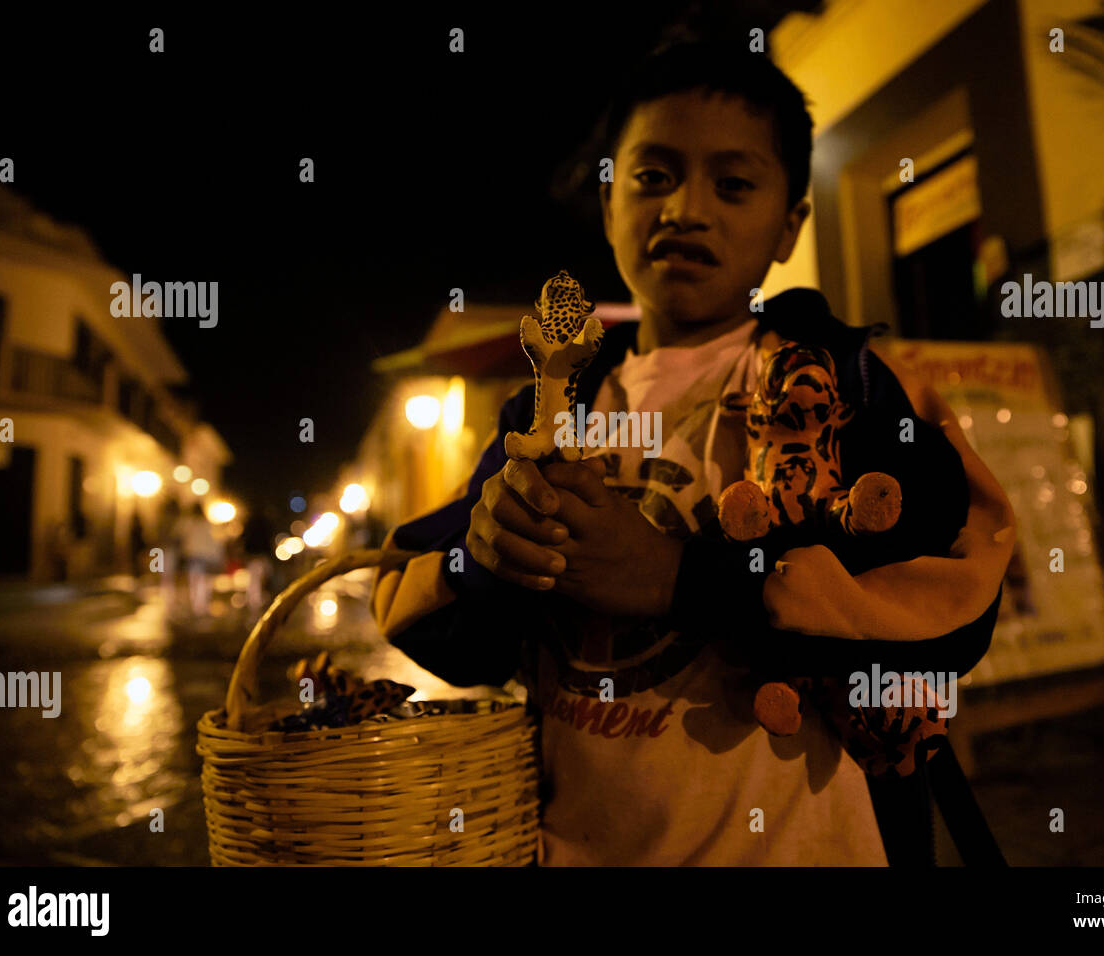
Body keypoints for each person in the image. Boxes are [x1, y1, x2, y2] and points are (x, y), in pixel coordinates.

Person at [370, 40, 1015, 865]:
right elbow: (448, 636)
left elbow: (954, 607)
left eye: (733, 183)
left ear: (789, 227)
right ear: (608, 207)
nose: (685, 209)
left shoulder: (850, 384)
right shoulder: (549, 406)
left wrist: (685, 578)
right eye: (652, 177)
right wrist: (485, 563)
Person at [173, 502, 223, 618]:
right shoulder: (207, 524)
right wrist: (217, 556)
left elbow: (179, 537)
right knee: (204, 582)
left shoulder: (188, 523)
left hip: (193, 556)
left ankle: (198, 606)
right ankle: (202, 605)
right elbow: (215, 541)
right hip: (205, 557)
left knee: (195, 581)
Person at [241, 505, 277, 614]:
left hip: (253, 555)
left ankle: (256, 599)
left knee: (255, 578)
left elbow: (244, 538)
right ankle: (256, 600)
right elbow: (270, 539)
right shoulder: (265, 524)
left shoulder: (250, 523)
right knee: (260, 578)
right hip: (261, 555)